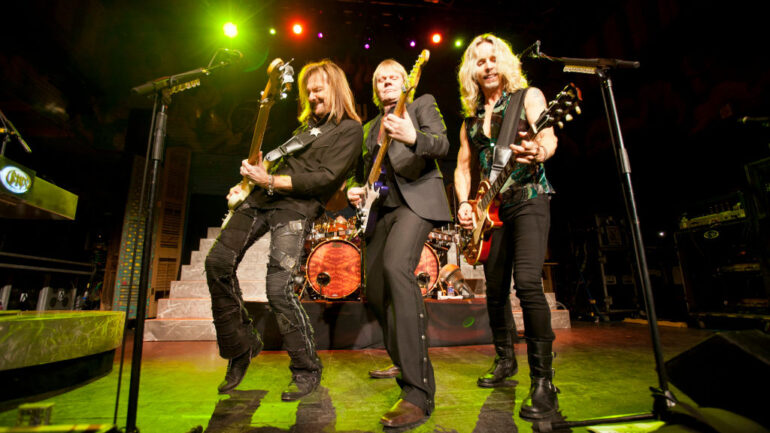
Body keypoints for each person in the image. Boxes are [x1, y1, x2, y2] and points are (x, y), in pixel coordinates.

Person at [205, 59, 363, 400]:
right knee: (216, 263)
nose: (312, 96)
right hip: (262, 198)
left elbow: (325, 178)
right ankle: (240, 344)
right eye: (308, 91)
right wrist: (247, 182)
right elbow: (275, 165)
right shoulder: (304, 131)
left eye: (319, 89)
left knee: (278, 289)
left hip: (297, 207)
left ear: (335, 88)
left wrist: (271, 179)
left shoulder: (350, 130)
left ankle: (306, 368)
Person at [454, 34, 560, 420]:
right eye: (480, 61)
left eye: (493, 58)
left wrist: (540, 150)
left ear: (505, 63)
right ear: (472, 71)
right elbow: (464, 166)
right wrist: (466, 204)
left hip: (529, 196)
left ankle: (544, 381)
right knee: (495, 292)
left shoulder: (527, 97)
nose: (488, 65)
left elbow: (548, 136)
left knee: (528, 283)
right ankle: (505, 361)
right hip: (491, 212)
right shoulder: (468, 119)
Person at [347, 59, 452, 428]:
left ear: (406, 81)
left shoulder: (422, 104)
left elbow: (442, 145)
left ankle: (417, 392)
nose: (386, 81)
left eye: (392, 76)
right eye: (379, 79)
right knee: (375, 290)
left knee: (396, 268)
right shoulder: (370, 127)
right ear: (375, 90)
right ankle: (402, 357)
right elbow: (366, 174)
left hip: (417, 203)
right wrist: (356, 190)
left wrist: (413, 136)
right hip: (381, 211)